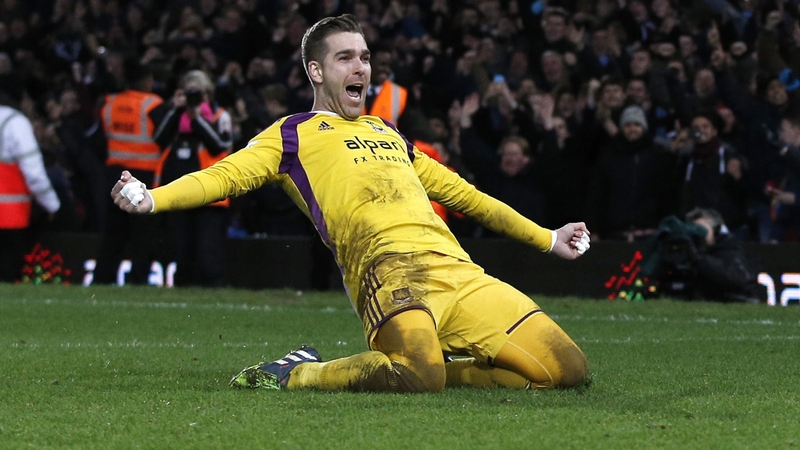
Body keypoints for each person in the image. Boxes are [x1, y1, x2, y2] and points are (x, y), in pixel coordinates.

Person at [112, 15, 591, 393]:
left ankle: (447, 366)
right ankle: (299, 372)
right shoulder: (292, 134)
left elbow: (464, 195)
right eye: (345, 58)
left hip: (458, 272)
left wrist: (548, 238)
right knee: (418, 378)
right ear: (316, 71)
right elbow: (223, 175)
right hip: (388, 274)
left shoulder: (386, 131)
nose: (361, 68)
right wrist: (151, 199)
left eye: (364, 57)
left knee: (567, 370)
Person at [152, 69, 233, 287]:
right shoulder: (175, 115)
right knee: (181, 247)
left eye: (200, 94)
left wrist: (196, 117)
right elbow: (158, 140)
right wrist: (177, 111)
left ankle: (216, 289)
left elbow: (219, 145)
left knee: (208, 250)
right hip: (179, 190)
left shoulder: (219, 115)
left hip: (210, 191)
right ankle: (182, 289)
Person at [93, 61, 166, 285]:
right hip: (143, 175)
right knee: (143, 232)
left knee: (114, 232)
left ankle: (102, 278)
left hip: (115, 173)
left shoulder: (109, 102)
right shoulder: (153, 104)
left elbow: (100, 138)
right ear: (146, 80)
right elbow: (164, 138)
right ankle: (138, 278)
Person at [0, 102, 61, 282]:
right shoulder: (15, 122)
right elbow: (34, 173)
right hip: (9, 214)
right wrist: (53, 205)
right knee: (7, 271)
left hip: (9, 213)